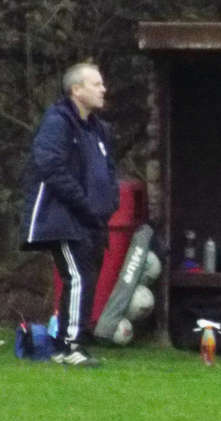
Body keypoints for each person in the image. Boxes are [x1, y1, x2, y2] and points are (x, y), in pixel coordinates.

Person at [19, 62, 119, 366]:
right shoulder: (57, 122)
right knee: (77, 277)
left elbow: (108, 171)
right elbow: (50, 167)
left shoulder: (99, 130)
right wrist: (84, 204)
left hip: (92, 220)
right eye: (96, 84)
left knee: (86, 278)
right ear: (76, 89)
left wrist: (109, 202)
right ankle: (69, 346)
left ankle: (71, 341)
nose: (104, 89)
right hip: (61, 216)